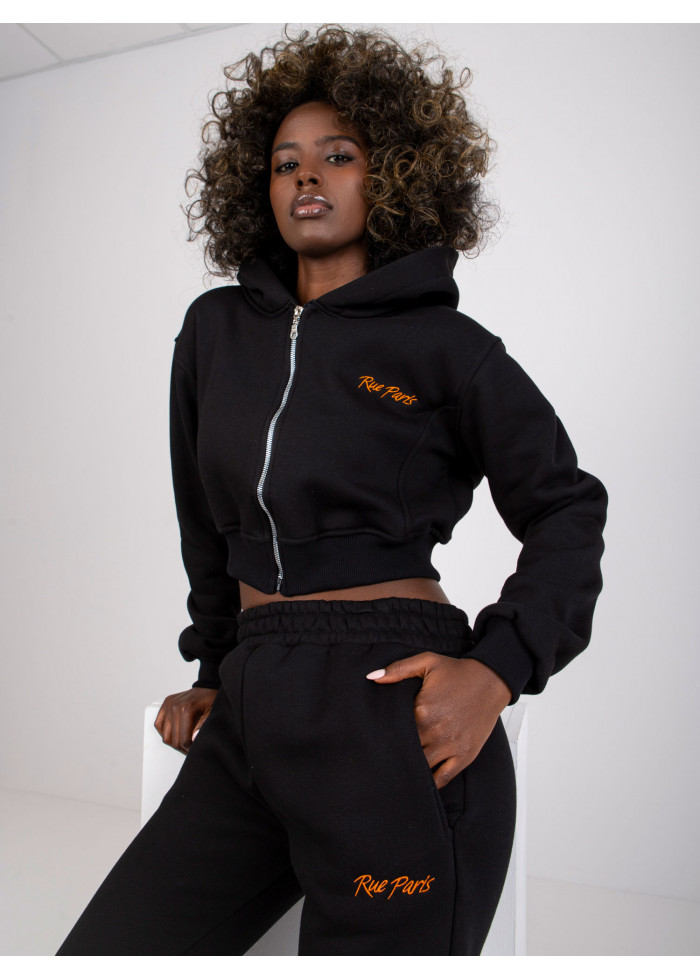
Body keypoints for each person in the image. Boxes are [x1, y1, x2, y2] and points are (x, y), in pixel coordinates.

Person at [56, 24, 607, 956]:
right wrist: (214, 670)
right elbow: (205, 526)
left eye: (339, 155)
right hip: (252, 699)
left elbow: (568, 505)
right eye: (285, 163)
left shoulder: (447, 348)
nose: (307, 174)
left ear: (393, 176)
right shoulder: (214, 332)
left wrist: (498, 668)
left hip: (387, 706)